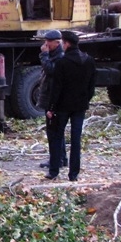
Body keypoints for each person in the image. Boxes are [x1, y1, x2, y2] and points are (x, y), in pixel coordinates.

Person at [45, 30, 95, 182]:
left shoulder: (62, 62)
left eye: (62, 43)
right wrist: (85, 100)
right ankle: (73, 174)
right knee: (76, 139)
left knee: (57, 137)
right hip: (80, 106)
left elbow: (57, 88)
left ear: (66, 43)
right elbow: (92, 87)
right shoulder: (89, 60)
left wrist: (51, 107)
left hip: (62, 106)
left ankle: (54, 171)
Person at [37, 30, 67, 170]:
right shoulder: (55, 54)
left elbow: (51, 70)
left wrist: (44, 55)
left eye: (49, 41)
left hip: (53, 99)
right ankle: (61, 158)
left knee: (54, 131)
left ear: (57, 42)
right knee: (56, 130)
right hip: (51, 97)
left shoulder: (60, 57)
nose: (46, 44)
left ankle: (57, 159)